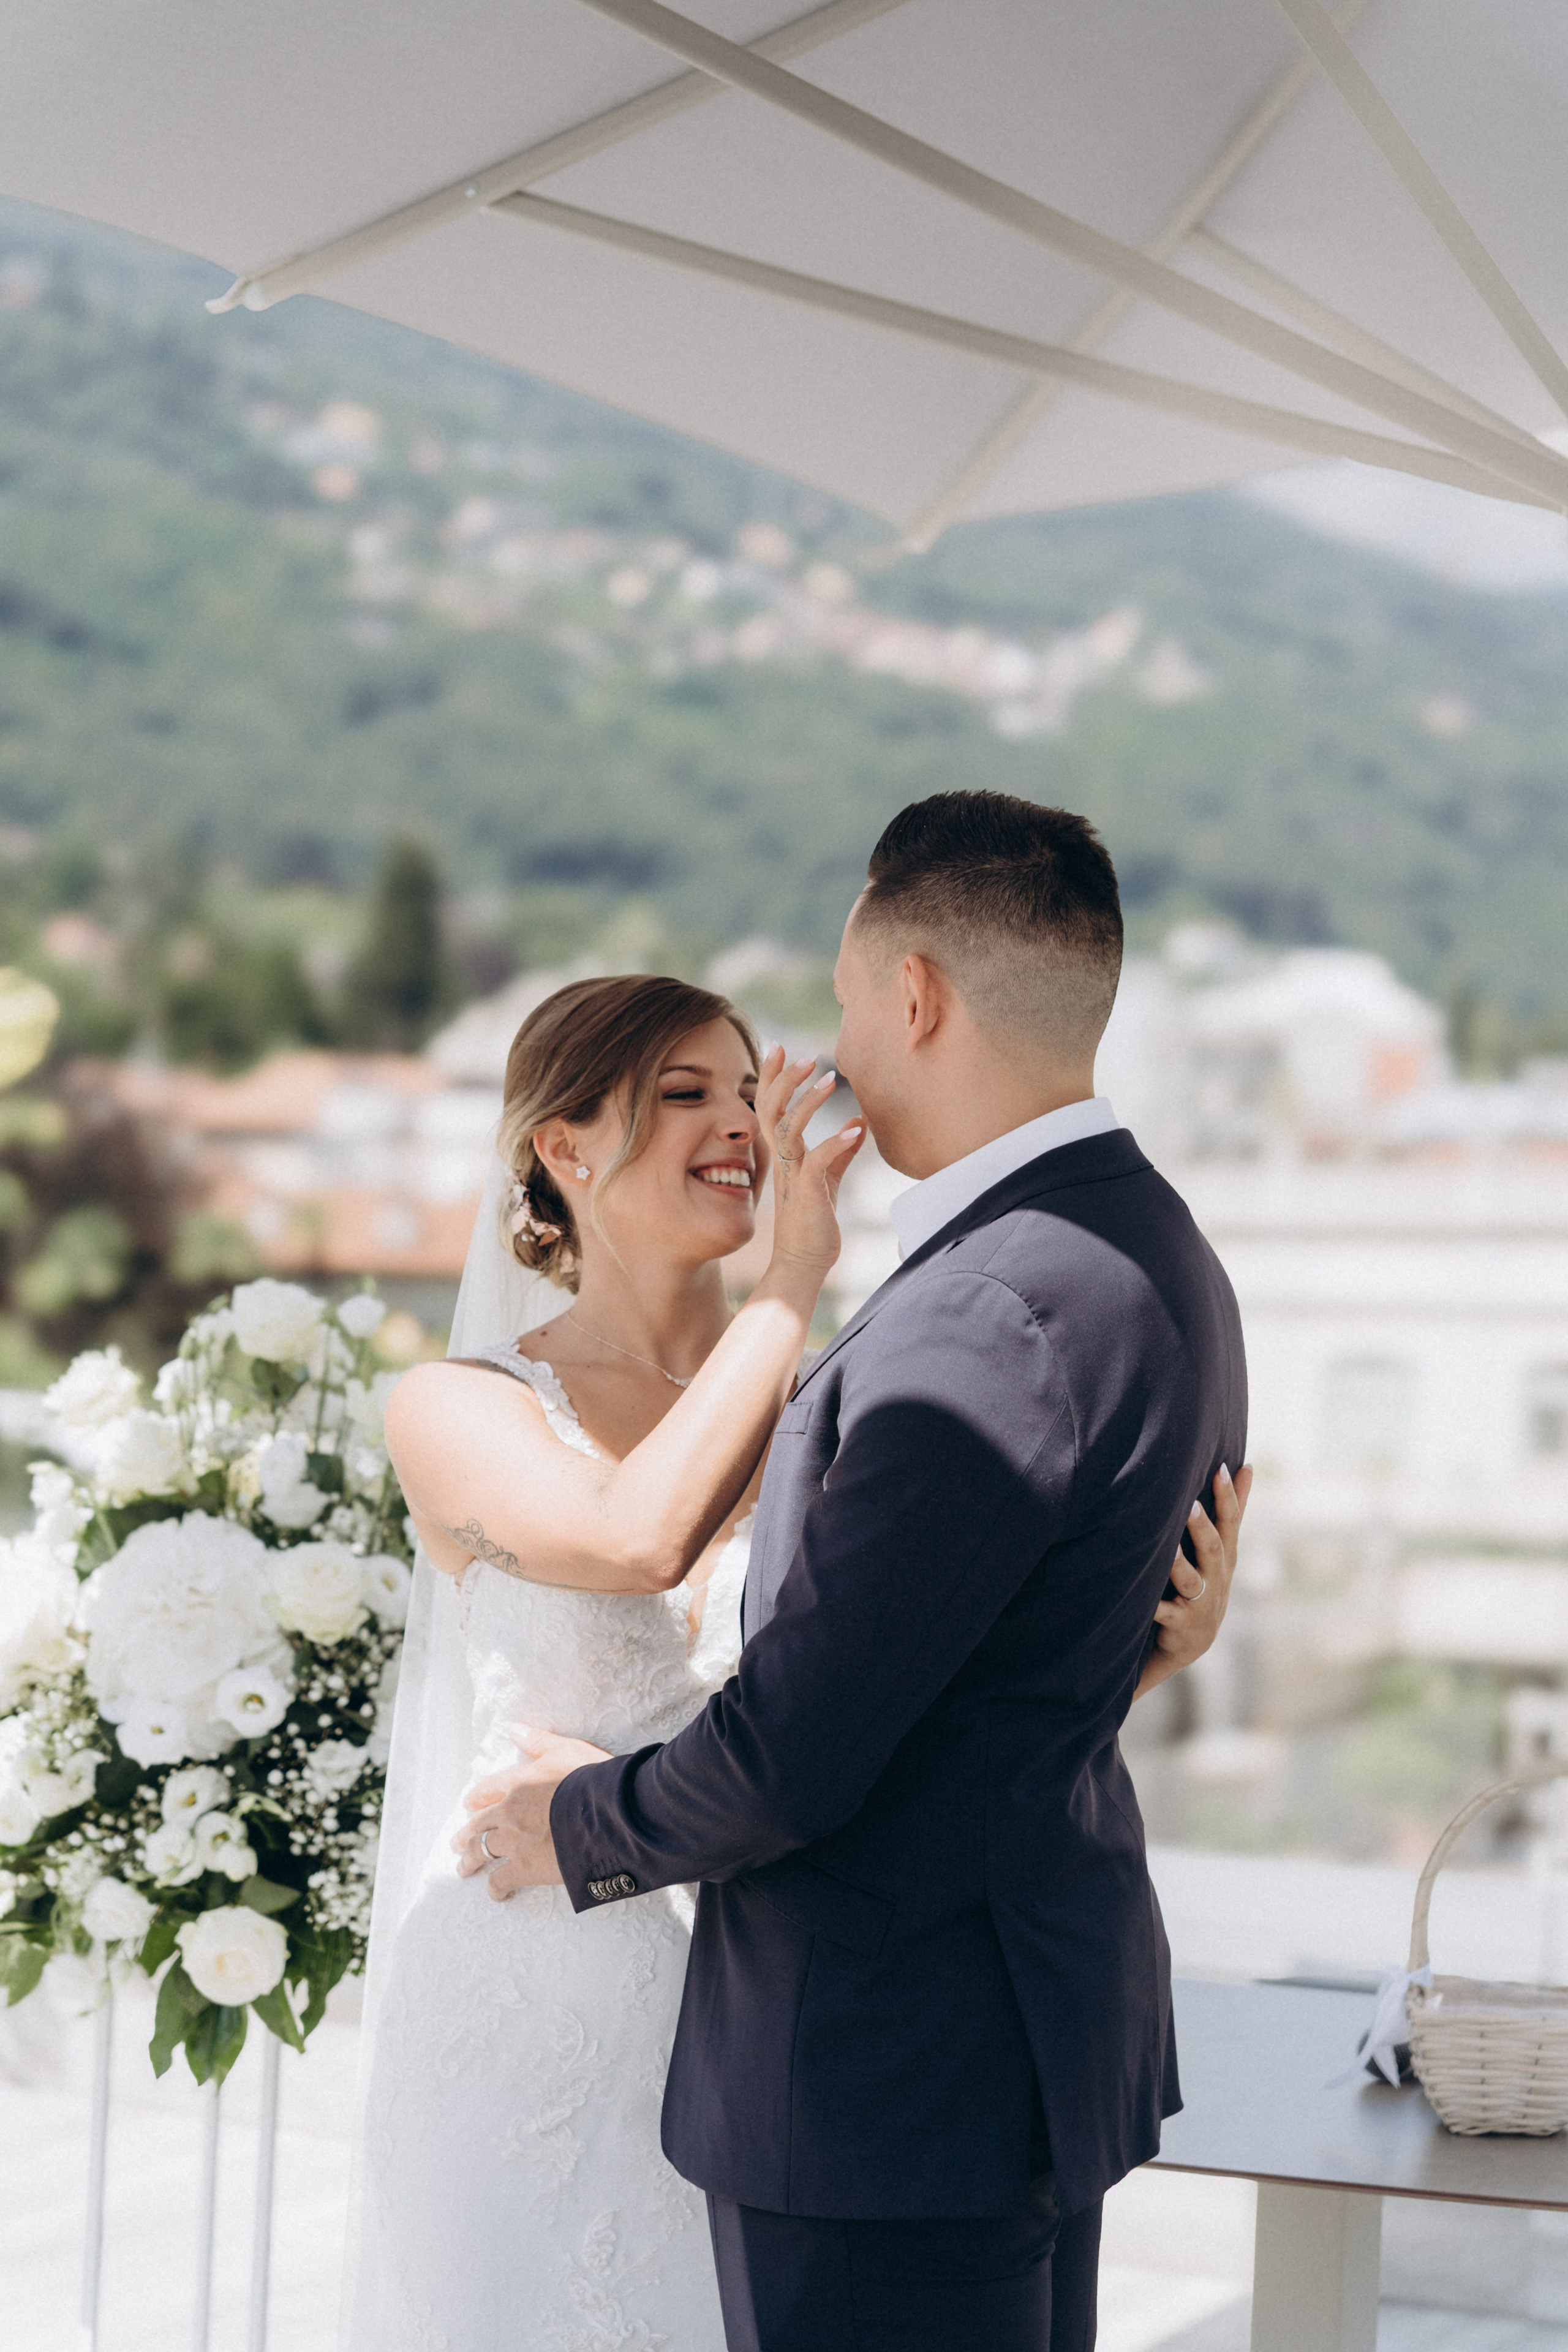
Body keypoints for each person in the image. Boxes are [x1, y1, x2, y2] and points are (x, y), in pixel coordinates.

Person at [457, 793, 1251, 2352]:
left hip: (889, 2075)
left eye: (837, 1002)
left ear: (914, 997)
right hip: (1000, 2041)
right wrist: (1135, 1656)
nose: (811, 1060)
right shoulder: (1154, 1249)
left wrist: (570, 1823)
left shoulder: (985, 1311)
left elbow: (802, 1749)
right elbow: (996, 1645)